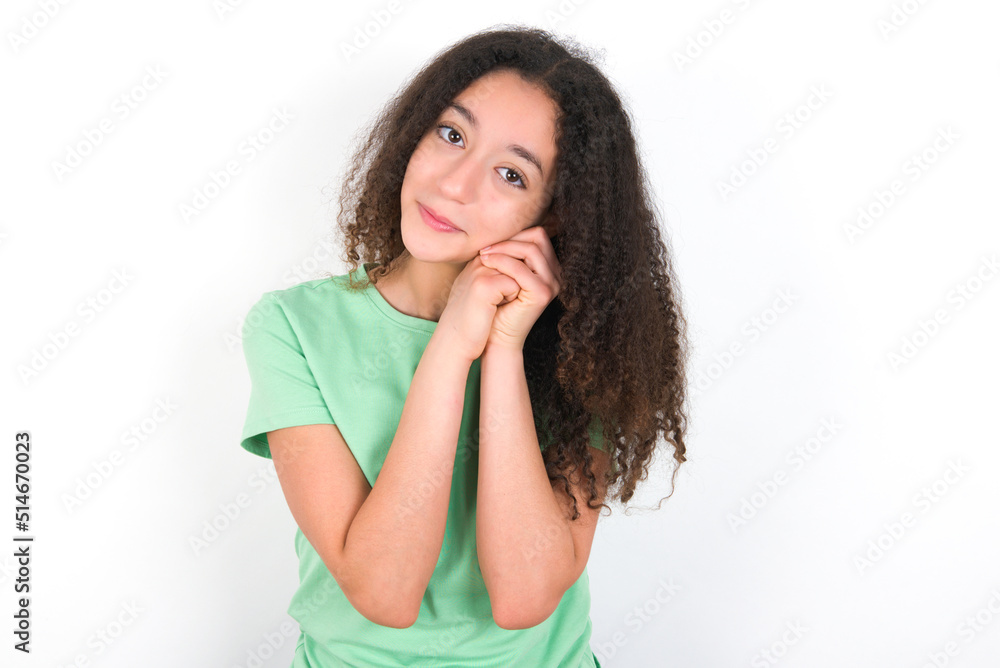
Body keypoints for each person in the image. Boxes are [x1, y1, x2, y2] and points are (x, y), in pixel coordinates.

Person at [239, 24, 689, 667]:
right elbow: (384, 593)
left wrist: (504, 348)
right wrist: (452, 342)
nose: (454, 184)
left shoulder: (582, 345)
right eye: (451, 135)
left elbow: (524, 599)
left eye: (510, 173)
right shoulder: (293, 327)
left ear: (553, 215)